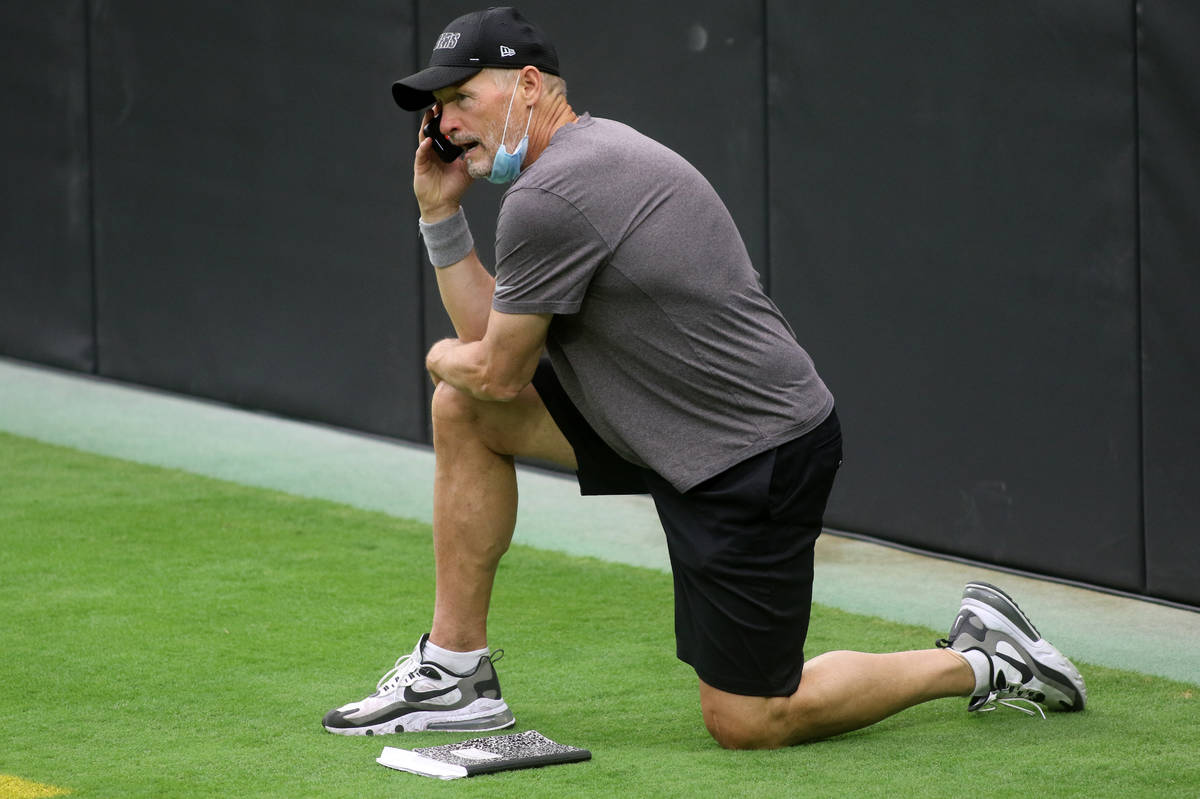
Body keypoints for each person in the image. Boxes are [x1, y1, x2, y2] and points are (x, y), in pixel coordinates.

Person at [322, 6, 1086, 748]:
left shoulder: (551, 195)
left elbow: (492, 363)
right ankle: (456, 674)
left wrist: (434, 357)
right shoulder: (570, 166)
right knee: (465, 409)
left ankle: (983, 656)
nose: (446, 123)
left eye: (461, 97)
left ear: (528, 88)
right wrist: (439, 215)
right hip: (659, 422)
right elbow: (487, 358)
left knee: (751, 719)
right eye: (438, 106)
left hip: (753, 455)